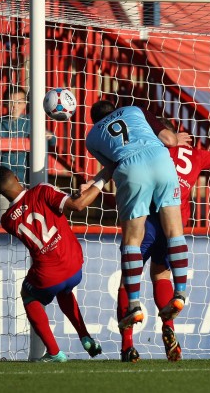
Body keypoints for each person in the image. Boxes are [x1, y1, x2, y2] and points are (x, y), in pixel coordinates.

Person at [115, 117, 210, 363]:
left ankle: (127, 345)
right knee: (161, 275)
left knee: (126, 280)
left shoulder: (153, 150)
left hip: (148, 220)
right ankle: (169, 326)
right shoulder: (196, 154)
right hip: (174, 226)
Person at [85, 100, 190, 333]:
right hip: (161, 160)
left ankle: (134, 304)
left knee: (133, 239)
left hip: (131, 168)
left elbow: (111, 167)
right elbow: (169, 140)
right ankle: (180, 292)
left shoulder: (92, 138)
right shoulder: (135, 110)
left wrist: (93, 183)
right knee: (174, 230)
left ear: (95, 120)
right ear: (115, 109)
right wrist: (174, 138)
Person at [0, 164, 108, 362]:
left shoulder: (7, 220)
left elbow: (26, 214)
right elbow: (75, 205)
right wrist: (99, 181)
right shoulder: (43, 190)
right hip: (74, 265)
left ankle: (54, 352)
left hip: (48, 276)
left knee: (28, 294)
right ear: (17, 179)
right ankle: (85, 337)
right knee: (64, 290)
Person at [0, 87, 56, 223]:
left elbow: (53, 140)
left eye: (19, 102)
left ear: (25, 104)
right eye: (10, 102)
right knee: (3, 219)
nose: (14, 106)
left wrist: (49, 136)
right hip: (4, 183)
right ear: (5, 103)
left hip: (28, 180)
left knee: (31, 219)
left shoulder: (31, 122)